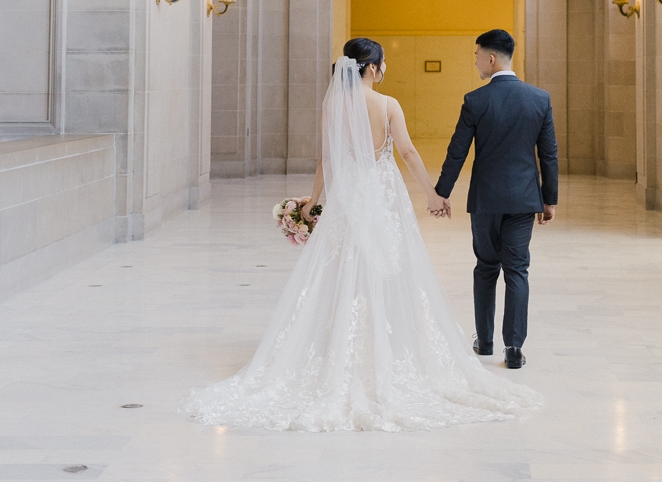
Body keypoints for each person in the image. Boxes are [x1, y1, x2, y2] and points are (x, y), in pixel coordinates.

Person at [180, 37, 541, 431]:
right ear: (371, 68)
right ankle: (388, 348)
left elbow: (326, 158)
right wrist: (432, 195)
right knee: (390, 268)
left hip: (348, 200)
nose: (384, 71)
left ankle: (337, 346)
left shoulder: (333, 105)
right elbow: (407, 153)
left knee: (340, 269)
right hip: (383, 198)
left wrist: (311, 203)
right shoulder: (388, 105)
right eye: (382, 65)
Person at [434, 29, 559, 371]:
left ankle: (485, 340)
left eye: (477, 56)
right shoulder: (539, 98)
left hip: (486, 200)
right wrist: (549, 200)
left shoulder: (476, 100)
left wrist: (441, 193)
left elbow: (457, 151)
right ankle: (514, 348)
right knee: (517, 269)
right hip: (523, 199)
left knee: (486, 267)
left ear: (491, 59)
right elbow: (548, 154)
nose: (475, 63)